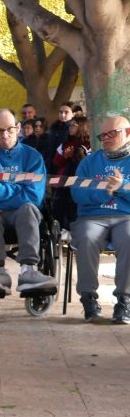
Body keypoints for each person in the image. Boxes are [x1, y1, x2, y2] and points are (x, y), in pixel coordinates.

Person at [0, 108, 56, 294]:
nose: (5, 134)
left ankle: (28, 271)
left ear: (18, 128)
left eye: (9, 129)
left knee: (29, 208)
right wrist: (19, 188)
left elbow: (34, 196)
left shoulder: (33, 157)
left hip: (20, 214)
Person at [69, 114, 130, 323]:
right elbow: (77, 194)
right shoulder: (89, 162)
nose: (105, 139)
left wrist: (122, 187)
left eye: (111, 134)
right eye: (102, 135)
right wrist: (105, 192)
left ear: (128, 133)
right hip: (92, 217)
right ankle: (88, 298)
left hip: (126, 217)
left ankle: (125, 300)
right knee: (86, 238)